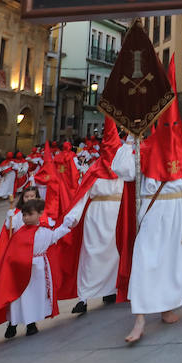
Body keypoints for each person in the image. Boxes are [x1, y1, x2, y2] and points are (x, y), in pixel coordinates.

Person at [112, 101, 182, 343]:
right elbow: (123, 171)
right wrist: (131, 138)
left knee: (174, 263)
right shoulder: (145, 147)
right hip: (156, 212)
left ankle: (167, 307)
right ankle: (139, 319)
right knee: (145, 260)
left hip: (181, 214)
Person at [0, 198, 75, 342]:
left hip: (39, 270)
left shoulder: (44, 230)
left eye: (30, 214)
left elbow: (54, 237)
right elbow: (11, 255)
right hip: (20, 273)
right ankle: (12, 323)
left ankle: (31, 323)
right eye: (24, 215)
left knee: (34, 297)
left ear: (40, 214)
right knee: (19, 298)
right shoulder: (20, 233)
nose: (26, 218)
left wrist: (66, 226)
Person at [66, 119, 124, 316]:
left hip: (117, 216)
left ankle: (111, 290)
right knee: (90, 254)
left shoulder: (124, 169)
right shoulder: (94, 170)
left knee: (115, 254)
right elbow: (82, 196)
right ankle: (84, 296)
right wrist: (72, 218)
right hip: (97, 217)